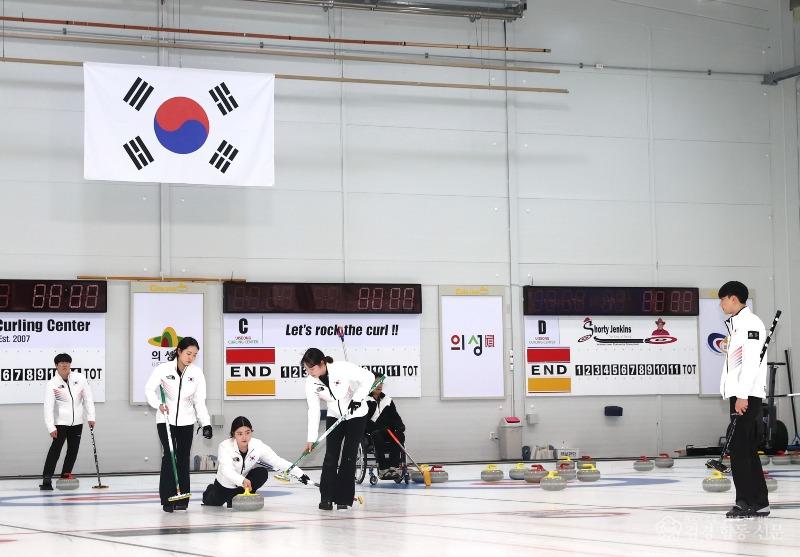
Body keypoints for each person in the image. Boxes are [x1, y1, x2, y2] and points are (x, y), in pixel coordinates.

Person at [718, 281, 769, 518]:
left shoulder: (751, 324)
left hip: (747, 395)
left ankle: (746, 502)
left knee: (739, 449)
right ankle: (759, 502)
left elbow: (750, 363)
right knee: (745, 448)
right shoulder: (737, 325)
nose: (721, 304)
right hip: (741, 394)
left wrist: (742, 395)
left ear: (733, 298)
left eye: (722, 299)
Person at [145, 337, 212, 513]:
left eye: (195, 355)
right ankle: (167, 499)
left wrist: (205, 423)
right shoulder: (163, 369)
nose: (191, 358)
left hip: (187, 421)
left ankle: (182, 498)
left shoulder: (196, 374)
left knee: (183, 457)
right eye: (188, 353)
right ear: (179, 351)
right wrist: (158, 404)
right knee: (169, 456)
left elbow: (200, 401)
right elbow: (149, 389)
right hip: (165, 419)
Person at [303, 347, 375, 511]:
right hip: (335, 415)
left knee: (348, 456)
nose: (309, 372)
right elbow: (313, 409)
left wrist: (358, 398)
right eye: (307, 369)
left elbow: (369, 377)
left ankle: (344, 498)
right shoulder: (310, 382)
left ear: (322, 363)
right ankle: (326, 498)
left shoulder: (342, 368)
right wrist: (311, 438)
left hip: (356, 415)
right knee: (331, 456)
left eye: (312, 368)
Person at [202, 416, 311, 507]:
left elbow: (276, 460)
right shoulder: (225, 446)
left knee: (261, 472)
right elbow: (227, 471)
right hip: (225, 486)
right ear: (233, 434)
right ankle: (211, 490)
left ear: (251, 432)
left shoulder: (257, 445)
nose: (244, 437)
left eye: (247, 432)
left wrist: (300, 473)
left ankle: (240, 496)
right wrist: (242, 480)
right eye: (240, 433)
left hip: (243, 486)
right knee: (212, 502)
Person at [40, 353, 96, 490]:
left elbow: (88, 398)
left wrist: (91, 417)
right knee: (56, 450)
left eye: (67, 362)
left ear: (70, 364)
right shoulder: (52, 384)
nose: (64, 365)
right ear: (56, 366)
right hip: (60, 423)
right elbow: (48, 407)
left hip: (77, 422)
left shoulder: (80, 378)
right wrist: (50, 427)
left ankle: (66, 474)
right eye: (61, 363)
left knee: (73, 449)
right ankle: (47, 478)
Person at [365, 379, 406, 479]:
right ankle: (383, 469)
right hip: (371, 432)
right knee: (376, 434)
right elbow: (364, 420)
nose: (379, 385)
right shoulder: (364, 400)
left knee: (400, 435)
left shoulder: (388, 400)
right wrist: (376, 427)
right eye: (376, 383)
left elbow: (395, 416)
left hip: (387, 431)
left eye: (381, 383)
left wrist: (400, 426)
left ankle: (394, 467)